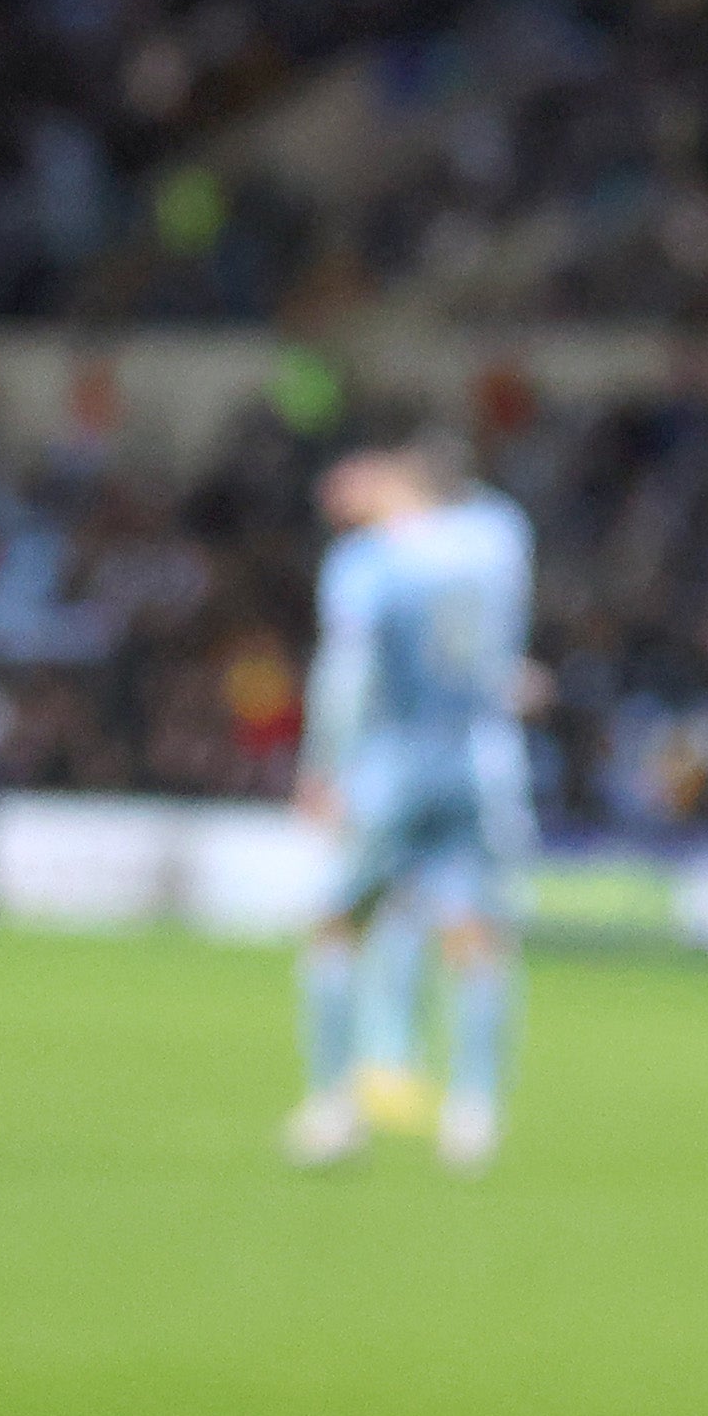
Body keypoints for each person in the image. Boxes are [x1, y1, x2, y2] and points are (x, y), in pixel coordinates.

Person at [277, 431, 536, 1176]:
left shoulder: (369, 562)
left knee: (334, 925)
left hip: (394, 760)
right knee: (477, 935)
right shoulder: (497, 539)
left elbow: (346, 673)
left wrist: (324, 768)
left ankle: (332, 1105)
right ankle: (474, 1113)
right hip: (484, 757)